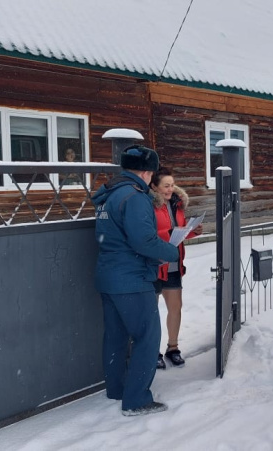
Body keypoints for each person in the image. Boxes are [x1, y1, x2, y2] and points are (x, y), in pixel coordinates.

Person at [92, 145, 179, 417]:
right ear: (146, 171)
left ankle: (117, 389)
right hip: (131, 278)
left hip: (108, 275)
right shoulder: (136, 197)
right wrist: (172, 251)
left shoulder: (109, 195)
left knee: (116, 337)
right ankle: (137, 399)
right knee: (147, 337)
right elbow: (144, 240)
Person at [149, 167, 203, 370]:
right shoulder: (148, 206)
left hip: (173, 264)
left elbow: (177, 235)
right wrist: (171, 231)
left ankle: (173, 348)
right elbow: (148, 235)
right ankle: (152, 351)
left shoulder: (176, 205)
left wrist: (192, 231)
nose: (170, 189)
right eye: (166, 185)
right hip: (154, 264)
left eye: (172, 185)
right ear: (154, 186)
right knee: (151, 312)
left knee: (175, 308)